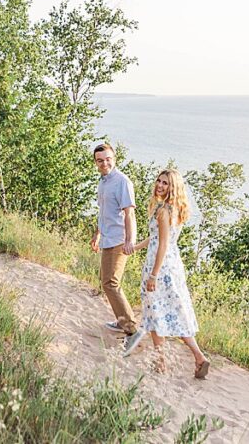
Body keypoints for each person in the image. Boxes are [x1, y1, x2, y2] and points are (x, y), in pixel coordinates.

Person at [134, 168, 210, 378]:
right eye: (159, 181)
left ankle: (160, 363)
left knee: (154, 311)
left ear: (173, 187)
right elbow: (157, 237)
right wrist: (136, 247)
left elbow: (163, 244)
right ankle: (199, 356)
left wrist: (153, 275)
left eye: (165, 183)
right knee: (173, 312)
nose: (159, 185)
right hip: (173, 265)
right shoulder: (174, 209)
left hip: (160, 265)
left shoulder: (163, 211)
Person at [90, 143, 145, 355]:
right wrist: (97, 233)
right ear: (96, 163)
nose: (104, 163)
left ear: (114, 159)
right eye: (100, 160)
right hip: (107, 238)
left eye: (108, 159)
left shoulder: (122, 181)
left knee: (111, 284)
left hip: (119, 240)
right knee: (106, 281)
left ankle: (132, 330)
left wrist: (130, 240)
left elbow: (129, 213)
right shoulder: (103, 182)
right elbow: (104, 212)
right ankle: (122, 320)